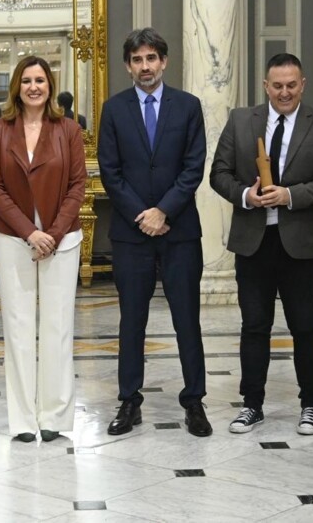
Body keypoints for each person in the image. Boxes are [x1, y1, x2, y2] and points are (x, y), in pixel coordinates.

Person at [209, 53, 313, 435]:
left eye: (291, 85)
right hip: (252, 241)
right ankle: (251, 404)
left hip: (299, 243)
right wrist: (244, 196)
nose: (284, 92)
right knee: (254, 326)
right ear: (266, 85)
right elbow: (218, 174)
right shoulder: (240, 120)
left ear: (303, 84)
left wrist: (290, 195)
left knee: (305, 325)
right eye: (277, 85)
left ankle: (311, 405)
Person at [97, 28, 212, 438]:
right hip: (131, 235)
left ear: (164, 61)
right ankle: (129, 401)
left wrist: (162, 211)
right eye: (137, 60)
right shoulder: (113, 109)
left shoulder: (188, 106)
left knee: (187, 320)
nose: (145, 67)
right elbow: (109, 172)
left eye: (151, 58)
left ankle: (194, 401)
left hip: (179, 231)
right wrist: (141, 215)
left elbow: (193, 167)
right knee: (132, 321)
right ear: (128, 66)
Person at [0, 55, 86, 443]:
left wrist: (53, 234)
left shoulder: (69, 130)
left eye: (40, 80)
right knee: (19, 328)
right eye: (26, 80)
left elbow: (78, 185)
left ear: (50, 84)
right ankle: (24, 420)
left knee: (58, 329)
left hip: (62, 240)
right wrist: (30, 232)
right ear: (16, 86)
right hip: (13, 239)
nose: (33, 87)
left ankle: (54, 418)